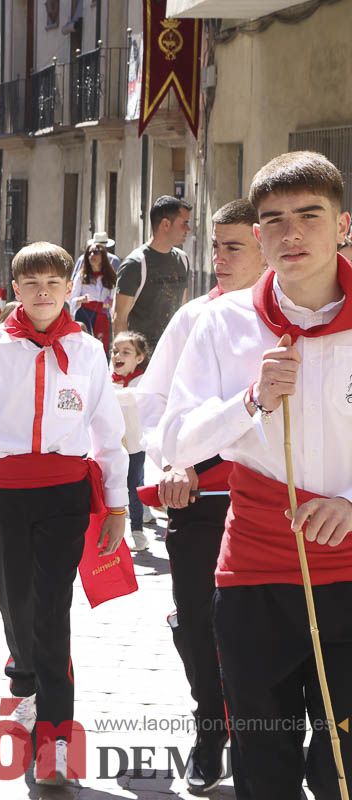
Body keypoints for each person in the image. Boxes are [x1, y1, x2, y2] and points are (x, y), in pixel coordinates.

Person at [160, 151, 352, 799]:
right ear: (259, 234)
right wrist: (251, 401)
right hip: (255, 575)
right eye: (274, 221)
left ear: (344, 225)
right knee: (263, 762)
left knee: (342, 766)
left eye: (310, 215)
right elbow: (178, 439)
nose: (291, 234)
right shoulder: (220, 321)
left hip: (350, 573)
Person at [0, 241, 128, 787]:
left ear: (69, 288)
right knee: (14, 602)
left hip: (66, 497)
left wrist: (116, 504)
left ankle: (55, 741)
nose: (44, 293)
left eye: (54, 283)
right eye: (32, 284)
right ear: (14, 291)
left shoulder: (90, 351)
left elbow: (109, 432)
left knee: (51, 613)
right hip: (6, 494)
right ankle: (23, 673)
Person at [135, 196, 266, 795]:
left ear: (268, 248)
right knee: (195, 624)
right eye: (214, 245)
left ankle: (267, 738)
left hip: (273, 505)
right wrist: (174, 463)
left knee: (264, 627)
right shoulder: (191, 320)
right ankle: (210, 730)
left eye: (233, 246)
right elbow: (154, 403)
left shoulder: (300, 319)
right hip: (200, 501)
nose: (218, 258)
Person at [114, 196, 193, 349]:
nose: (188, 229)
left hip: (172, 353)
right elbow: (119, 319)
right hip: (141, 360)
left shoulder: (183, 260)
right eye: (184, 223)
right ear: (165, 224)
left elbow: (183, 308)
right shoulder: (135, 264)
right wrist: (125, 364)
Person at [110, 330, 151, 552]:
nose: (118, 355)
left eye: (126, 351)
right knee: (111, 485)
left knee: (133, 486)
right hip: (112, 446)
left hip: (135, 444)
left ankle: (137, 532)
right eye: (115, 350)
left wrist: (102, 392)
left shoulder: (142, 381)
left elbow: (131, 398)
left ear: (139, 358)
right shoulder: (109, 380)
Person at [69, 237, 118, 349]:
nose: (92, 255)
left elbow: (114, 297)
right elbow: (72, 298)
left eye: (96, 252)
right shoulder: (82, 276)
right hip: (84, 313)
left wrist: (111, 302)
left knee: (100, 345)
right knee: (83, 345)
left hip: (102, 314)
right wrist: (81, 299)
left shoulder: (110, 277)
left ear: (103, 256)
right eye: (89, 253)